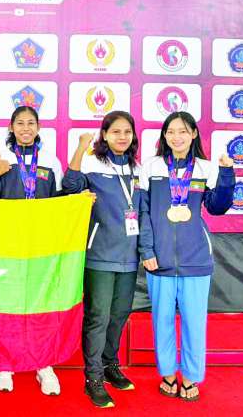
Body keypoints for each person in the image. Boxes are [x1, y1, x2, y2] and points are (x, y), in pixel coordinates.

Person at [138, 111, 235, 402]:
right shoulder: (152, 166)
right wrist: (147, 250)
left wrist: (227, 174)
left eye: (182, 131)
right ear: (164, 136)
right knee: (162, 321)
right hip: (159, 259)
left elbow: (217, 207)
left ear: (193, 134)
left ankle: (191, 376)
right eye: (170, 132)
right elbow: (143, 211)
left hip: (196, 259)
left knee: (194, 323)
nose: (176, 137)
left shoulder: (206, 168)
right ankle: (168, 372)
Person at [62, 111, 141, 408]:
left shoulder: (138, 168)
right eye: (115, 131)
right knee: (98, 317)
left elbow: (143, 209)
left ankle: (110, 365)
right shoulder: (93, 163)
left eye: (127, 132)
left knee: (119, 315)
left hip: (130, 256)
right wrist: (81, 147)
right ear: (104, 135)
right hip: (100, 255)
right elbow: (70, 186)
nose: (122, 136)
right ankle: (93, 378)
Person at [0, 105, 64, 395]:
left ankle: (43, 364)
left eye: (31, 123)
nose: (26, 128)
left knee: (40, 304)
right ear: (11, 127)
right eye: (20, 123)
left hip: (40, 246)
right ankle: (4, 364)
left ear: (38, 127)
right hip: (7, 245)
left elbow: (58, 202)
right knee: (8, 304)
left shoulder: (51, 161)